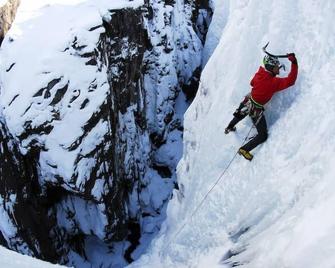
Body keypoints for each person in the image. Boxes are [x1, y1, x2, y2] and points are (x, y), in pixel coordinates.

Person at [225, 53, 298, 161]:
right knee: (262, 135)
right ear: (271, 68)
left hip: (248, 100)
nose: (279, 67)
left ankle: (230, 126)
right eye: (277, 66)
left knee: (241, 113)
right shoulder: (274, 82)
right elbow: (291, 81)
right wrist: (294, 62)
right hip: (256, 109)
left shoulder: (260, 73)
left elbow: (252, 83)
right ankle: (244, 149)